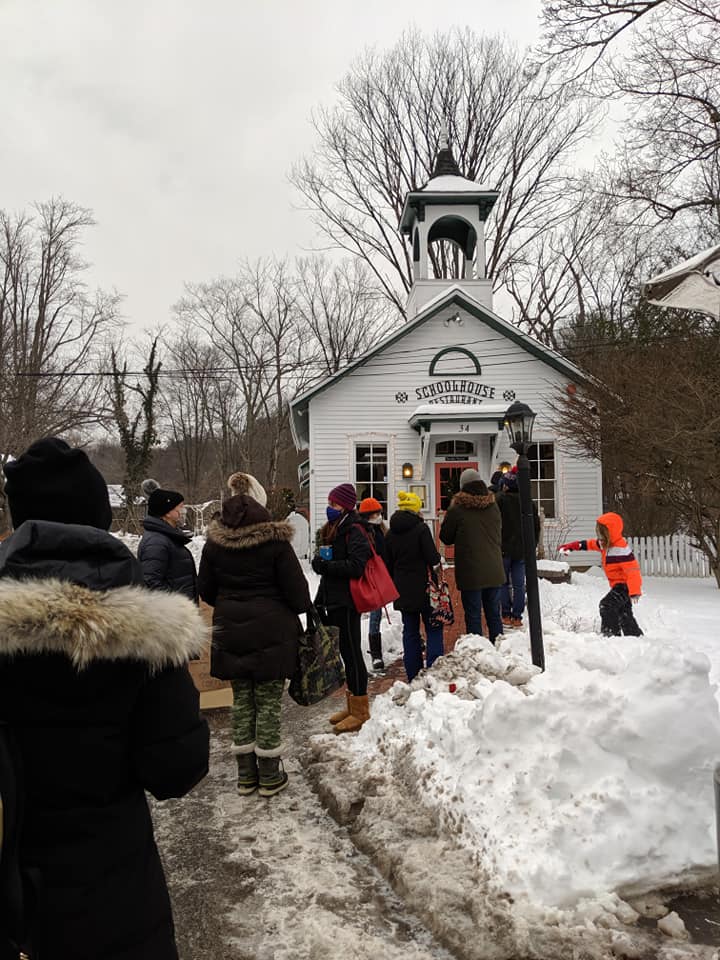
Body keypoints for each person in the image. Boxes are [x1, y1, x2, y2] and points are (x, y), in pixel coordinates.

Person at [0, 437, 209, 960]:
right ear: (98, 517)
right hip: (116, 894)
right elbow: (177, 768)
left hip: (15, 900)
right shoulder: (145, 631)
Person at [198, 471, 311, 797]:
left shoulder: (215, 544)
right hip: (272, 634)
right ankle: (270, 775)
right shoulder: (275, 543)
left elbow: (204, 590)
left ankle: (246, 775)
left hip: (231, 633)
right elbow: (300, 597)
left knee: (242, 701)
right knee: (268, 703)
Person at [311, 483, 372, 734]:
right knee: (345, 652)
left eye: (334, 504)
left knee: (352, 651)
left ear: (345, 506)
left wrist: (327, 566)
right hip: (333, 598)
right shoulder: (337, 528)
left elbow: (356, 566)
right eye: (329, 503)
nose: (330, 508)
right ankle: (352, 702)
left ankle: (360, 709)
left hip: (348, 601)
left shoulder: (355, 530)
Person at [439, 468, 505, 644]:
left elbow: (445, 537)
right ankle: (499, 650)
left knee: (474, 615)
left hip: (471, 571)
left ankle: (477, 652)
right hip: (494, 568)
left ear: (462, 487)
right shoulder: (493, 506)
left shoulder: (458, 509)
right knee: (493, 614)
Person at [385, 490, 443, 681]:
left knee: (410, 632)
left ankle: (413, 674)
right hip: (425, 588)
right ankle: (434, 672)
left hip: (402, 588)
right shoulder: (421, 529)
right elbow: (433, 558)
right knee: (433, 627)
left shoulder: (391, 532)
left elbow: (387, 562)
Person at [560, 512, 643, 636]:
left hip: (624, 586)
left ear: (610, 532)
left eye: (602, 532)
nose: (599, 536)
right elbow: (590, 544)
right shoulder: (605, 544)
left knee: (606, 605)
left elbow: (633, 571)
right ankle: (634, 636)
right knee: (624, 613)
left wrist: (634, 591)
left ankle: (611, 635)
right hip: (617, 585)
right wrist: (572, 546)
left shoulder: (621, 549)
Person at [138, 479, 197, 602]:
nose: (183, 511)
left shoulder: (167, 537)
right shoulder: (156, 542)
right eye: (180, 507)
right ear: (167, 513)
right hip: (171, 616)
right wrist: (178, 605)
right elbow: (151, 582)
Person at [496, 468, 540, 628]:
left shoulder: (499, 500)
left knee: (502, 582)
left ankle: (506, 614)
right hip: (521, 549)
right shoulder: (527, 502)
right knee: (519, 584)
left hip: (503, 547)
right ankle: (517, 616)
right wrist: (532, 545)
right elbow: (535, 527)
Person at [358, 497, 388, 671]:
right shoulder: (364, 533)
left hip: (386, 575)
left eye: (379, 513)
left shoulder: (382, 531)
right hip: (372, 577)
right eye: (375, 513)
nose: (378, 516)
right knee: (375, 615)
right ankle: (376, 654)